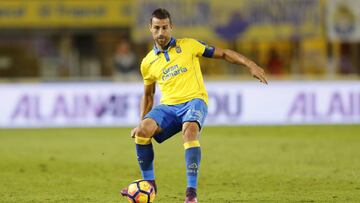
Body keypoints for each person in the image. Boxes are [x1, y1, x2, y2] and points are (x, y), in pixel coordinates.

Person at [120, 8, 267, 203]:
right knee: (142, 132)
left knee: (189, 132)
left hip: (194, 100)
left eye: (165, 27)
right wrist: (141, 122)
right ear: (150, 29)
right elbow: (148, 95)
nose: (161, 33)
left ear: (171, 27)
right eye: (157, 28)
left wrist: (250, 64)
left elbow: (223, 54)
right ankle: (149, 185)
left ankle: (191, 194)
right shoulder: (147, 62)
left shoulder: (189, 45)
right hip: (169, 107)